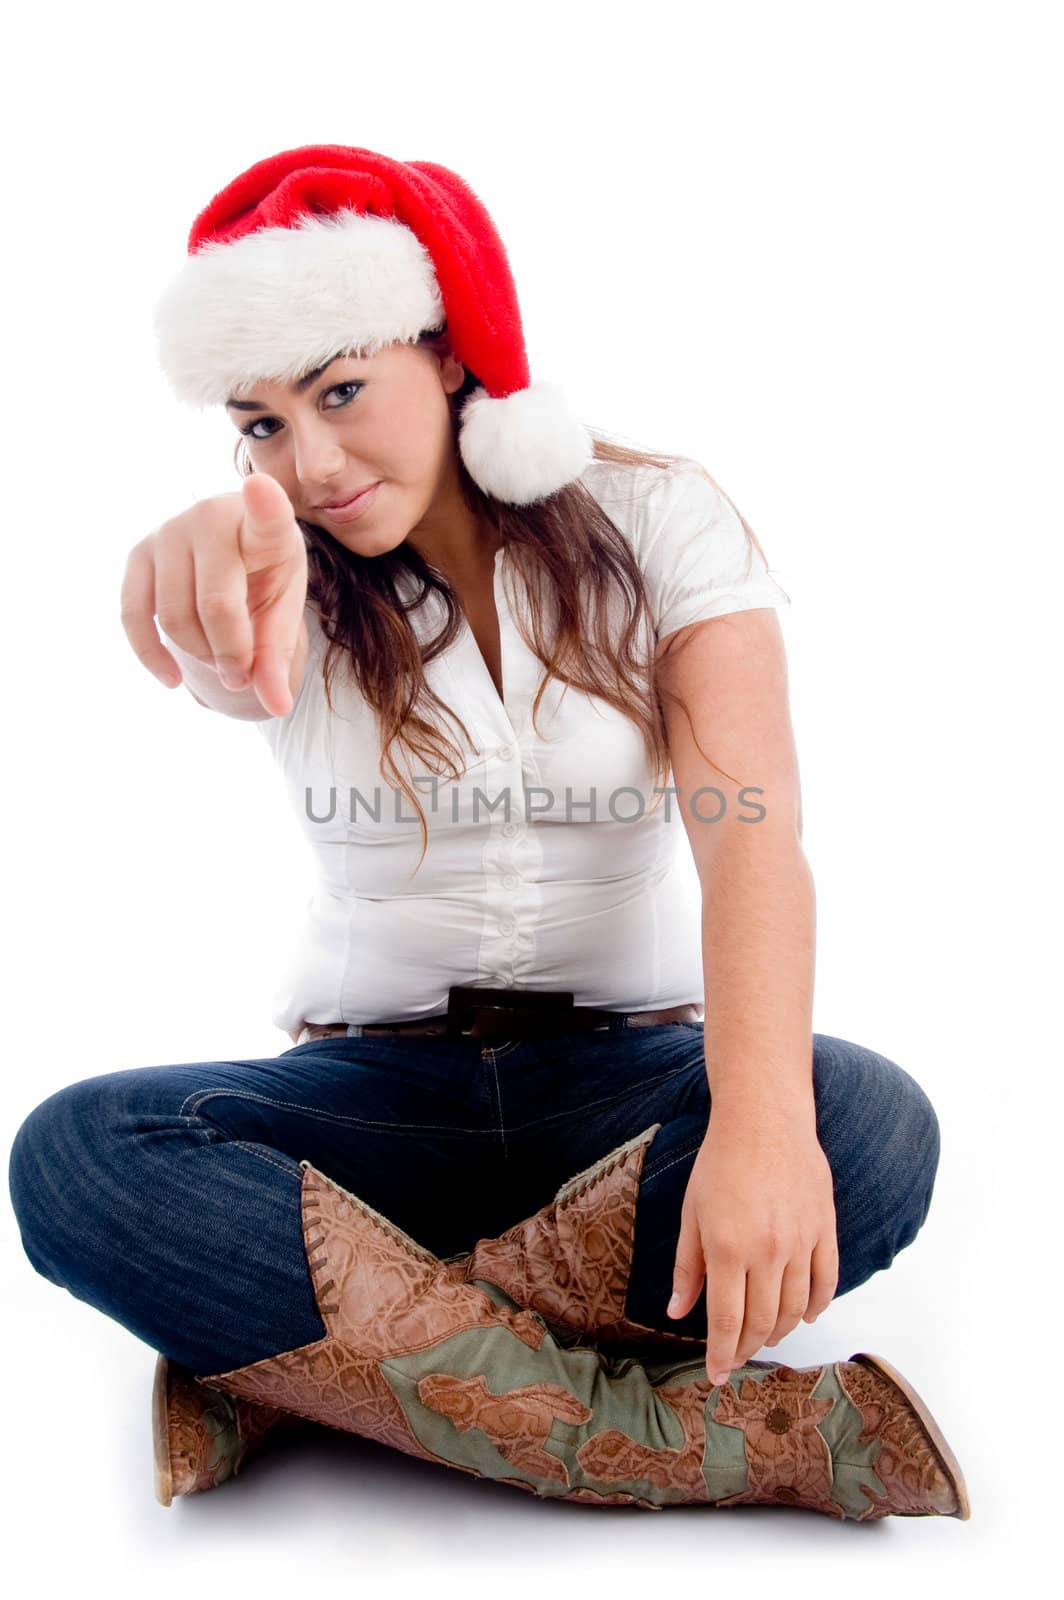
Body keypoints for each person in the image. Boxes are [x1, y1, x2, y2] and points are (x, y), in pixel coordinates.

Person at [6, 143, 970, 1521]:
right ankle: (656, 1436)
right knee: (75, 1154)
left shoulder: (662, 519)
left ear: (452, 354)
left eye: (343, 392)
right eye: (263, 422)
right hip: (368, 1108)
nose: (313, 461)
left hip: (620, 1096)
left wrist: (760, 1125)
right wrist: (199, 567)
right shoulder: (279, 569)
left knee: (865, 1125)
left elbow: (752, 830)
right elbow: (236, 654)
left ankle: (311, 1369)